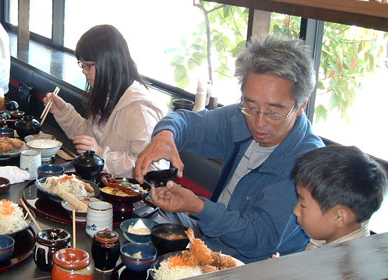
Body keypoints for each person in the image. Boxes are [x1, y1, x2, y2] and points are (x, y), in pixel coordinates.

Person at [134, 35, 325, 263]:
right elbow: (186, 122)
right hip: (207, 238)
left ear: (301, 105)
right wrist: (165, 136)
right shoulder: (240, 117)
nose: (259, 122)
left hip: (249, 266)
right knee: (131, 227)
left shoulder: (308, 163)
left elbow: (259, 240)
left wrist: (198, 207)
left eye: (274, 111)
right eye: (250, 105)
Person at [42, 25, 168, 178]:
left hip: (125, 193)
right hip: (102, 182)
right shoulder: (107, 93)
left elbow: (152, 167)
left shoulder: (140, 107)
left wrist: (102, 156)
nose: (83, 71)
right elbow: (88, 138)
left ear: (109, 63)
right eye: (82, 65)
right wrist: (63, 112)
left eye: (88, 65)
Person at [291, 145, 387, 250]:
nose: (296, 211)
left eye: (303, 205)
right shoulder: (328, 238)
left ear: (339, 217)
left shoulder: (338, 263)